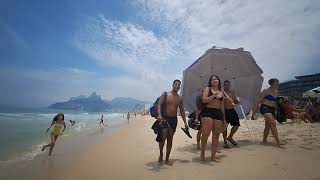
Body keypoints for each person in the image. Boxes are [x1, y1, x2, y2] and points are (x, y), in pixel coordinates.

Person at [156, 79, 188, 166]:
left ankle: (167, 159)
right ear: (172, 85)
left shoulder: (180, 98)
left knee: (170, 139)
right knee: (162, 139)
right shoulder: (165, 94)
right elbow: (159, 104)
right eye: (176, 84)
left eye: (179, 85)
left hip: (173, 120)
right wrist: (159, 115)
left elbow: (182, 111)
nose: (177, 86)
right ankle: (161, 153)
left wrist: (185, 123)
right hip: (164, 118)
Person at [200, 75, 225, 162]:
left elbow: (222, 106)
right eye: (212, 79)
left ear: (218, 81)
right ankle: (202, 152)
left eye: (216, 79)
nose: (214, 80)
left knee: (216, 135)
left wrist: (224, 118)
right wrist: (213, 96)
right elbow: (203, 100)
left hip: (218, 113)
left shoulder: (221, 92)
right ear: (210, 82)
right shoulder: (207, 89)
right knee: (206, 133)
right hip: (208, 111)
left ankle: (213, 157)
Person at [251, 78, 284, 147]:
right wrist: (253, 114)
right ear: (271, 84)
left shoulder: (277, 92)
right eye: (276, 84)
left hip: (272, 110)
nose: (277, 85)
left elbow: (277, 102)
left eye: (278, 84)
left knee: (268, 126)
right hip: (265, 108)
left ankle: (264, 140)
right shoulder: (265, 91)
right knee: (273, 123)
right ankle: (278, 141)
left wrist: (281, 102)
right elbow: (258, 102)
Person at [222, 80, 240, 148]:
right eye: (225, 85)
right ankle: (225, 141)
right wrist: (225, 98)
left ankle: (230, 137)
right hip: (224, 111)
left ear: (229, 85)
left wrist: (237, 101)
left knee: (237, 124)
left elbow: (235, 101)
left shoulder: (232, 92)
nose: (227, 86)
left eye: (228, 85)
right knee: (225, 126)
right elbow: (218, 100)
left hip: (232, 110)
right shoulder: (221, 92)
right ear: (223, 85)